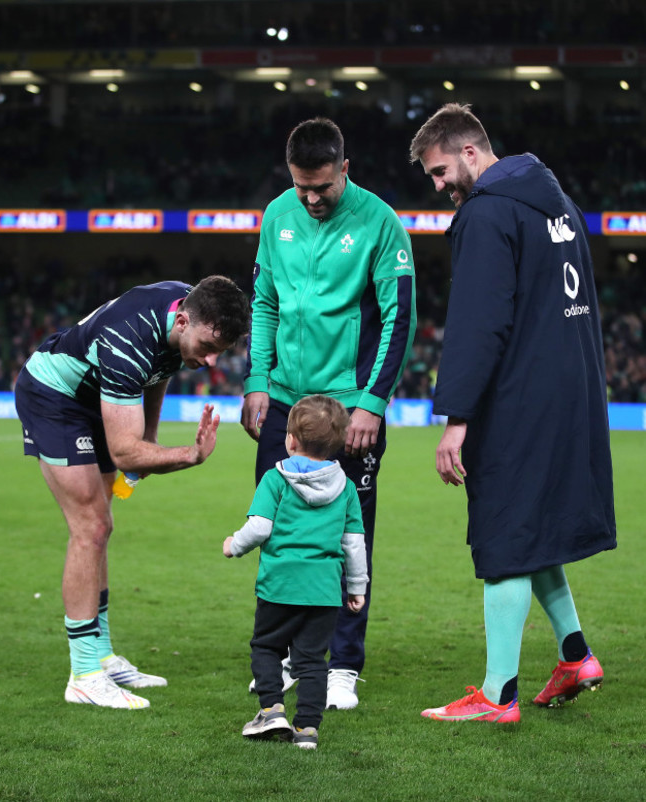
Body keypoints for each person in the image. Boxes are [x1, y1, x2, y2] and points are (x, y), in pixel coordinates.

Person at [409, 102, 617, 723]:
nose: (440, 186)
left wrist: (456, 419)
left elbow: (478, 322)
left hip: (520, 396)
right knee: (532, 526)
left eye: (442, 171)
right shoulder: (553, 198)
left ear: (471, 152)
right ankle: (575, 654)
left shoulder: (489, 212)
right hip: (572, 387)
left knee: (503, 528)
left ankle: (498, 693)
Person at [241, 117, 416, 710]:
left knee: (347, 536)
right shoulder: (275, 215)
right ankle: (289, 654)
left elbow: (399, 317)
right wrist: (257, 381)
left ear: (346, 168)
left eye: (322, 187)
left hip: (348, 409)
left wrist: (372, 401)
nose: (311, 199)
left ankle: (341, 663)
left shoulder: (381, 221)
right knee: (282, 528)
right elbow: (264, 302)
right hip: (284, 401)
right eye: (301, 187)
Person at [15, 275, 250, 709]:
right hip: (55, 398)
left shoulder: (184, 312)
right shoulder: (129, 338)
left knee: (101, 527)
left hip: (95, 396)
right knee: (90, 526)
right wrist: (187, 455)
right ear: (182, 320)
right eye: (207, 346)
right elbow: (126, 453)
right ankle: (84, 673)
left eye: (222, 350)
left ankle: (102, 657)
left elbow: (159, 371)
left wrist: (152, 440)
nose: (213, 360)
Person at [224, 395, 368, 750]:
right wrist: (356, 586)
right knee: (312, 661)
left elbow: (258, 527)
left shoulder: (276, 479)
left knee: (266, 647)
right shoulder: (347, 489)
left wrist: (233, 545)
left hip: (279, 584)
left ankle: (272, 709)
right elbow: (353, 543)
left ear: (290, 439)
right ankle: (307, 730)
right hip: (322, 589)